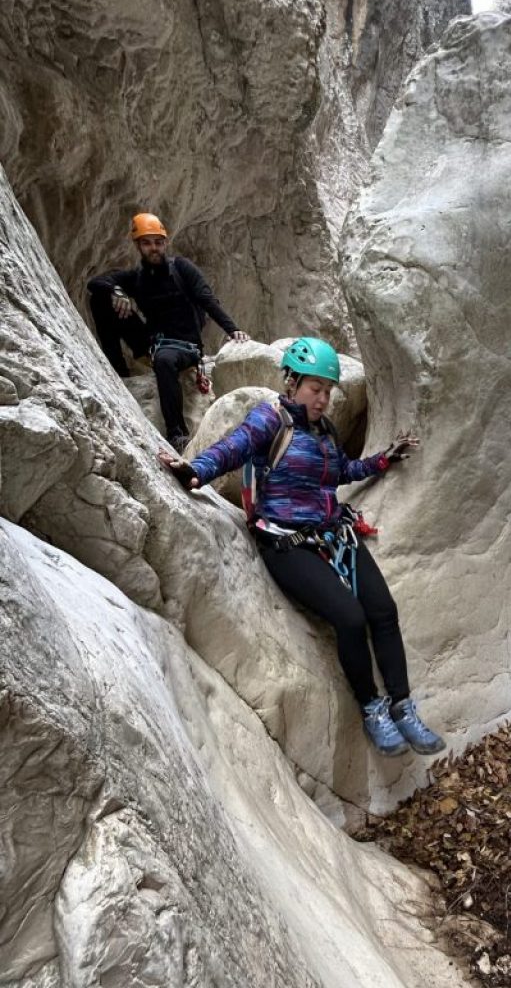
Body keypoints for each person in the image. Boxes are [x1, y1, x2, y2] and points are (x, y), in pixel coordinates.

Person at [158, 336, 445, 757]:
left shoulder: (324, 431)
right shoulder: (270, 419)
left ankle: (403, 707)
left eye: (328, 391)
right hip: (286, 543)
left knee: (383, 611)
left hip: (334, 534)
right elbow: (233, 447)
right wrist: (196, 470)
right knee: (349, 618)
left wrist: (383, 459)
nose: (324, 398)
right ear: (291, 383)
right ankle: (373, 710)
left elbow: (341, 471)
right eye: (316, 389)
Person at [87, 212, 249, 452]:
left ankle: (177, 433)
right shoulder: (137, 278)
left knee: (165, 359)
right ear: (138, 245)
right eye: (147, 242)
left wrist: (233, 330)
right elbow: (96, 283)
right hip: (153, 343)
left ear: (165, 243)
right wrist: (118, 292)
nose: (154, 248)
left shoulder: (181, 268)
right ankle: (118, 371)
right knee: (102, 299)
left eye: (158, 242)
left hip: (185, 347)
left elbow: (207, 299)